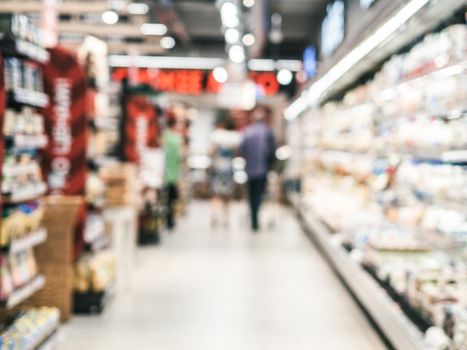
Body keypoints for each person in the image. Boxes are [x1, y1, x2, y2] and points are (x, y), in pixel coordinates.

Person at [240, 106, 277, 232]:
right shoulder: (268, 132)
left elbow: (242, 149)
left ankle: (253, 217)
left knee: (251, 194)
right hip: (263, 169)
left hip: (250, 168)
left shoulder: (247, 132)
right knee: (259, 194)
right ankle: (255, 216)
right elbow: (273, 150)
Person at [209, 115, 241, 228]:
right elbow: (238, 152)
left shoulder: (217, 136)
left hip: (218, 168)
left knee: (216, 194)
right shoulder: (235, 138)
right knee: (227, 195)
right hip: (229, 169)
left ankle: (215, 216)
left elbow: (210, 151)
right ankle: (225, 218)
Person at [162, 117, 183, 230]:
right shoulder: (177, 138)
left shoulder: (164, 137)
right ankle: (170, 220)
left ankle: (167, 219)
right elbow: (180, 157)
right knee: (172, 199)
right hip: (173, 174)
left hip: (165, 173)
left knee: (165, 198)